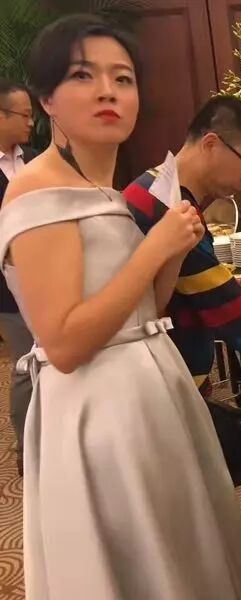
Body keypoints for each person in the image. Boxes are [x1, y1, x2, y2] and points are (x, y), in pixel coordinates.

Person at [0, 15, 241, 599]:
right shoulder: (36, 191)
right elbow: (65, 344)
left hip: (149, 392)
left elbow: (145, 310)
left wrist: (173, 251)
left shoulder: (110, 193)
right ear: (46, 100)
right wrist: (154, 250)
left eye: (123, 78)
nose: (107, 92)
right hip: (99, 412)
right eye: (82, 76)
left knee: (178, 554)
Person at [124, 96, 241, 398]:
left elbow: (209, 282)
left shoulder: (157, 185)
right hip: (161, 378)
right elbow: (216, 297)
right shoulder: (166, 204)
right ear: (212, 144)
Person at [0, 78, 36, 475]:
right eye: (23, 115)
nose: (31, 122)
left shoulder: (38, 161)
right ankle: (28, 448)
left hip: (51, 276)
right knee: (28, 363)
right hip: (8, 290)